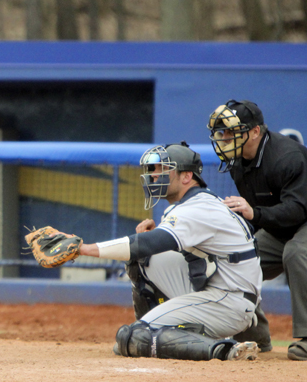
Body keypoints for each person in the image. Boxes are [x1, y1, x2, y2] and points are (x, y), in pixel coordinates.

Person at [60, 142, 262, 361]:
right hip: (227, 293)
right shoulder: (195, 203)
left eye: (162, 170)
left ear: (186, 177)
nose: (154, 175)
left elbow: (148, 243)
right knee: (144, 258)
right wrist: (148, 242)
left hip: (228, 301)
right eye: (153, 170)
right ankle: (162, 328)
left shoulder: (198, 208)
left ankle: (223, 350)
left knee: (134, 338)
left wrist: (83, 249)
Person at [208, 99, 307, 361]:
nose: (225, 138)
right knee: (237, 260)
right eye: (222, 132)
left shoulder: (288, 157)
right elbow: (259, 215)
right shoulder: (237, 161)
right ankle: (253, 336)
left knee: (296, 252)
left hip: (303, 218)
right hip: (280, 226)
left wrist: (255, 213)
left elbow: (298, 209)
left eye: (233, 131)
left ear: (255, 131)